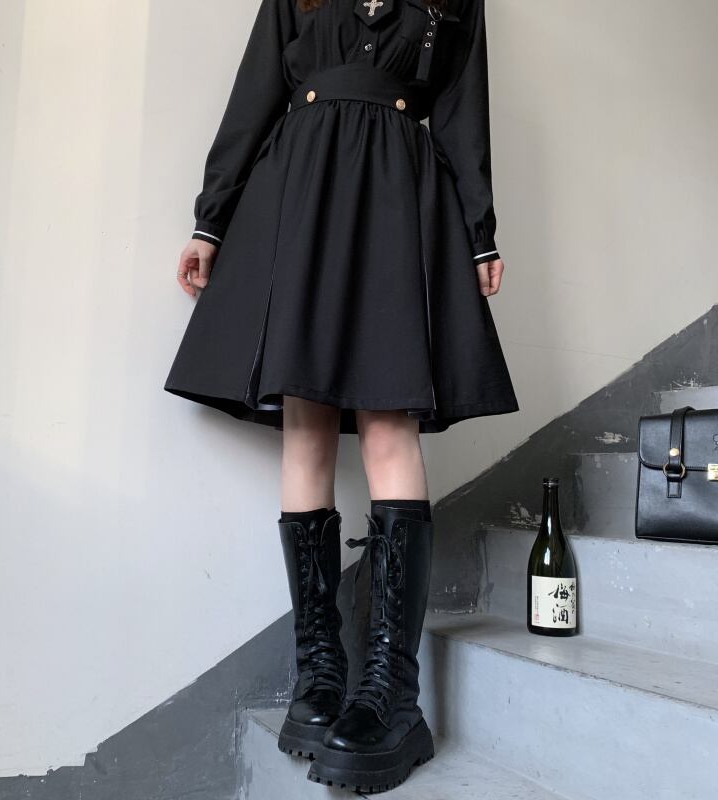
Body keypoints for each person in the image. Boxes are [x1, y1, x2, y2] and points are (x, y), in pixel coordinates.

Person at [164, 0, 518, 792]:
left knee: (389, 417)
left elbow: (463, 109)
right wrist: (210, 221)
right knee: (306, 421)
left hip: (399, 191)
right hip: (299, 189)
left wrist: (479, 231)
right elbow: (256, 89)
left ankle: (391, 694)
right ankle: (319, 678)